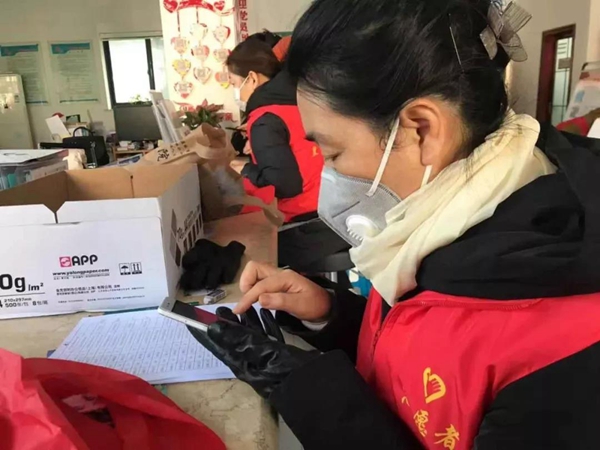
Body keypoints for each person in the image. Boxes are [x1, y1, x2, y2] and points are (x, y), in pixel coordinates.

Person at [190, 0, 600, 448]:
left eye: (333, 153)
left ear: (421, 129)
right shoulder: (438, 229)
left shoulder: (568, 352)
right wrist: (329, 314)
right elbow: (421, 355)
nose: (328, 176)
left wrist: (307, 392)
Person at [227, 39, 350, 269]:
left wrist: (245, 169)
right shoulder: (300, 101)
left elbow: (284, 186)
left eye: (234, 83)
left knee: (240, 248)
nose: (236, 92)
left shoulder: (264, 118)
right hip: (335, 213)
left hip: (308, 223)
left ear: (251, 78)